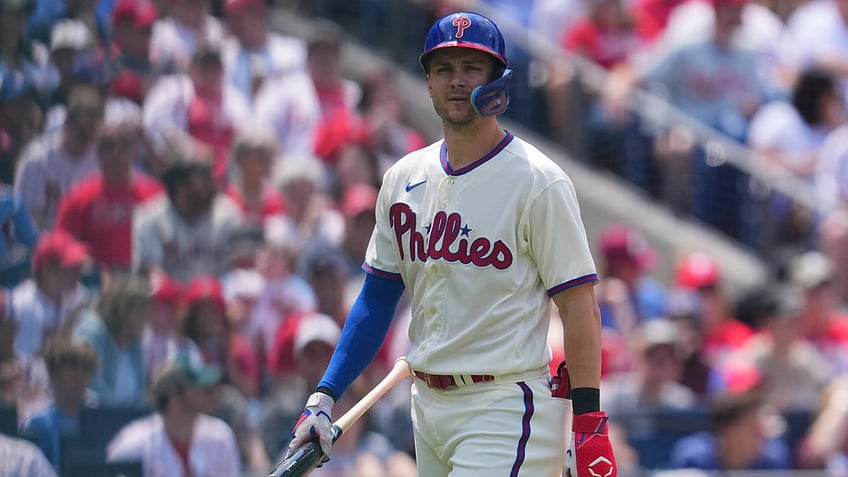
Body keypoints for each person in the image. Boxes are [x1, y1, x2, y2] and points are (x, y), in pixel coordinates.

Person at [282, 12, 616, 477]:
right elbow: (377, 298)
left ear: (498, 81)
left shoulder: (538, 181)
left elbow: (580, 308)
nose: (456, 81)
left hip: (503, 404)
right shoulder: (402, 178)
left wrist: (588, 419)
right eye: (444, 69)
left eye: (471, 68)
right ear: (428, 84)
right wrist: (324, 395)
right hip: (427, 406)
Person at [106, 354, 242, 477]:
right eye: (201, 387)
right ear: (174, 396)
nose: (210, 392)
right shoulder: (134, 447)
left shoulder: (221, 437)